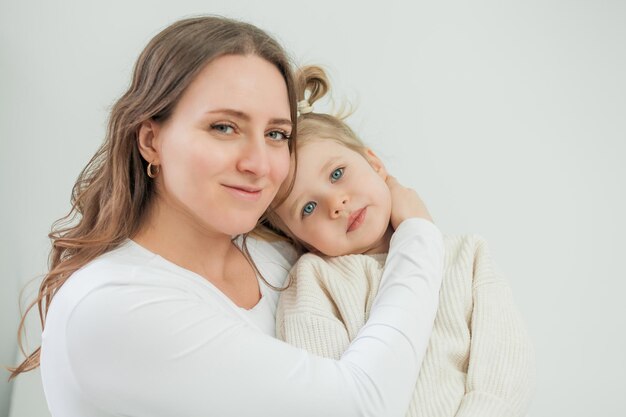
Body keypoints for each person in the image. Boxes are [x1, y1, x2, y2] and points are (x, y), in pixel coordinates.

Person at [9, 17, 445, 417]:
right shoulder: (113, 306)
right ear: (151, 140)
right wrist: (419, 235)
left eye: (276, 134)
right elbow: (359, 406)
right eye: (224, 127)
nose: (258, 162)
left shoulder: (277, 257)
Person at [267, 66, 535, 417]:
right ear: (298, 238)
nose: (337, 204)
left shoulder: (466, 257)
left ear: (374, 164)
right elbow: (331, 396)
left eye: (337, 174)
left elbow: (505, 367)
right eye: (309, 207)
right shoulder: (313, 282)